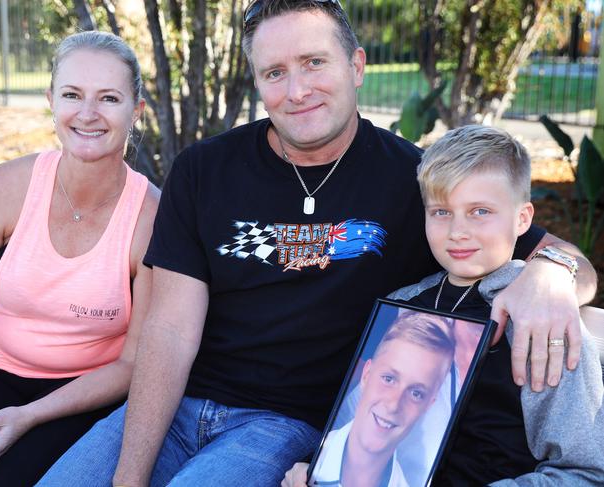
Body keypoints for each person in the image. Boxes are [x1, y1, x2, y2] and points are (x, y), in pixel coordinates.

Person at [39, 2, 596, 486]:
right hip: (177, 405)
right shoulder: (203, 169)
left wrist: (549, 275)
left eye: (313, 63)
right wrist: (129, 476)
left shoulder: (413, 180)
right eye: (274, 72)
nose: (297, 90)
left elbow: (568, 261)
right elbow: (170, 329)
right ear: (257, 83)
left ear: (356, 66)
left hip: (286, 426)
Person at [282, 125, 604, 486]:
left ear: (523, 219)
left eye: (480, 211)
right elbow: (358, 422)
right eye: (441, 212)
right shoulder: (400, 307)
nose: (458, 231)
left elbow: (586, 473)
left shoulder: (541, 318)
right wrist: (318, 466)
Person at [0, 31, 160, 486]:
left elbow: (133, 364)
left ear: (136, 111)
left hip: (84, 396)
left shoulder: (153, 218)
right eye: (72, 95)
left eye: (109, 98)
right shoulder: (2, 188)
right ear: (52, 100)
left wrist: (27, 417)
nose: (87, 114)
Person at [310, 312, 455, 487]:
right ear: (366, 374)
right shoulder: (308, 459)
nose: (394, 404)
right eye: (388, 379)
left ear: (428, 405)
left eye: (416, 393)